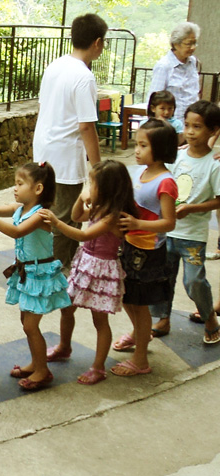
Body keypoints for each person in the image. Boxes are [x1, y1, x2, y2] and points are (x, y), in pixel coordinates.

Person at [32, 13, 106, 364]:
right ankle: (55, 285)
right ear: (97, 43)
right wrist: (97, 169)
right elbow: (87, 127)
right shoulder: (83, 76)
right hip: (65, 163)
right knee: (63, 227)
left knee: (49, 220)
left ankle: (47, 274)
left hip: (44, 156)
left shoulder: (56, 65)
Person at [0, 163, 71, 391]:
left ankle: (43, 371)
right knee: (25, 322)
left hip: (40, 275)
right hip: (27, 273)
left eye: (19, 183)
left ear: (37, 189)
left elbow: (17, 231)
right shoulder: (21, 208)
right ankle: (37, 363)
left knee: (31, 326)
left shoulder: (41, 215)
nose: (14, 188)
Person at [40, 161, 137, 385]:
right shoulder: (98, 208)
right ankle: (64, 346)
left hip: (102, 269)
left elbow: (83, 235)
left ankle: (98, 367)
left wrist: (56, 221)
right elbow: (76, 216)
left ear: (107, 188)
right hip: (85, 264)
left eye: (92, 183)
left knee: (99, 320)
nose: (89, 186)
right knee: (67, 307)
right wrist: (82, 198)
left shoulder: (113, 216)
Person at [146, 101, 220, 343]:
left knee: (194, 280)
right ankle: (163, 319)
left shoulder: (215, 164)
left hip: (193, 235)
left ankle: (209, 318)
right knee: (162, 278)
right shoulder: (175, 157)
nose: (189, 131)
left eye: (197, 127)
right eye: (187, 125)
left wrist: (192, 208)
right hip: (167, 231)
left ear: (213, 130)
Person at [110, 119, 178, 376]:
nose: (136, 150)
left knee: (140, 304)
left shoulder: (166, 181)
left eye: (142, 145)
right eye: (136, 144)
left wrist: (138, 222)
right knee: (127, 297)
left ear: (159, 149)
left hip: (148, 252)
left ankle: (141, 361)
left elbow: (169, 222)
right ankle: (141, 334)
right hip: (128, 246)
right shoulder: (137, 172)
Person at [147, 22, 201, 123]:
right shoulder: (164, 66)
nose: (193, 47)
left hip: (191, 121)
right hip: (171, 123)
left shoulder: (193, 62)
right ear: (176, 44)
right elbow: (154, 98)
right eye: (189, 44)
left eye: (195, 43)